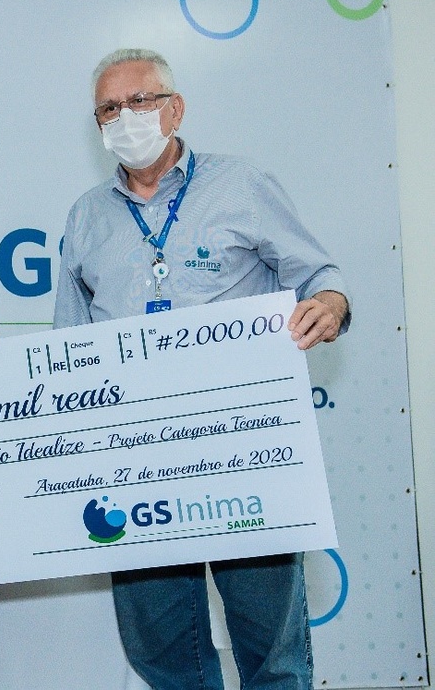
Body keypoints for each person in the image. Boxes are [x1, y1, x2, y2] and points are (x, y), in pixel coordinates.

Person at [54, 48, 350, 690]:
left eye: (140, 101)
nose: (124, 117)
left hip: (244, 453)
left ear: (175, 108)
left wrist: (329, 304)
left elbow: (319, 275)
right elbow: (68, 348)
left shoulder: (240, 185)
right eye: (108, 108)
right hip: (135, 464)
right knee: (163, 652)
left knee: (271, 652)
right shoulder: (86, 216)